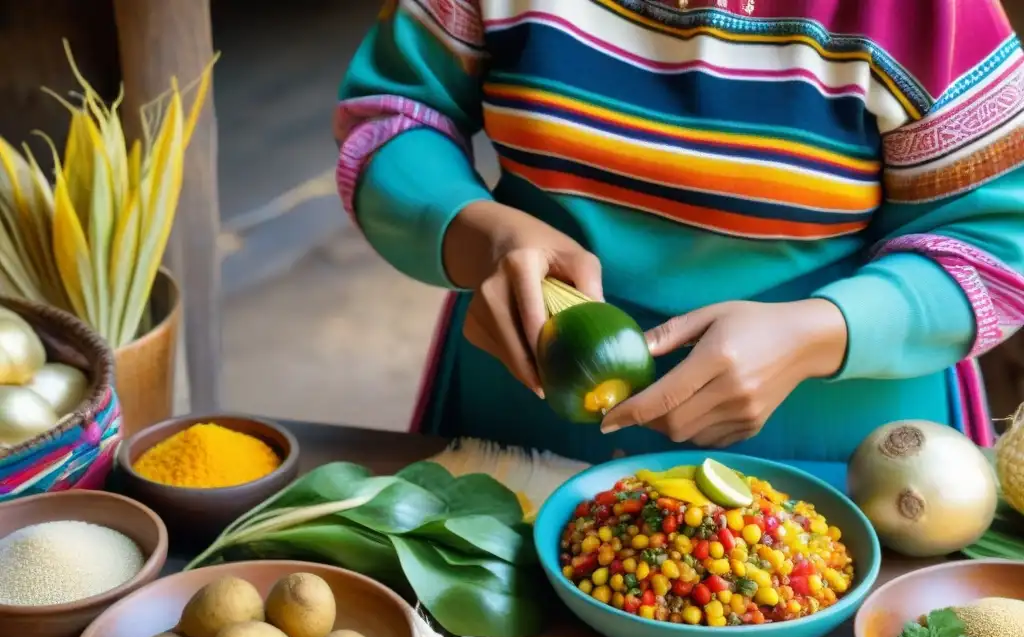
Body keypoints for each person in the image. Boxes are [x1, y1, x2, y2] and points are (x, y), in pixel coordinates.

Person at [334, 0, 1024, 467]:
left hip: (843, 469)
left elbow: (994, 245)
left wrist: (820, 333)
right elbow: (391, 117)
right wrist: (479, 233)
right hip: (520, 437)